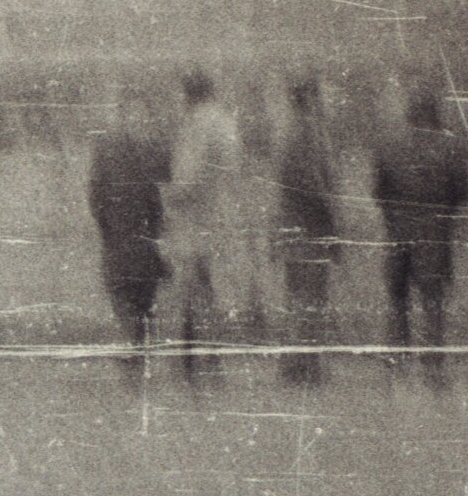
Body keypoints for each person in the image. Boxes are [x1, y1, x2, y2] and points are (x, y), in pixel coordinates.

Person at [371, 84, 468, 375]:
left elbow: (378, 192)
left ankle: (397, 363)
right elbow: (462, 193)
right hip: (434, 231)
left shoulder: (389, 145)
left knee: (398, 300)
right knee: (433, 301)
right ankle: (433, 366)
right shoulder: (451, 146)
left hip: (398, 230)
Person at [159, 71, 248, 377]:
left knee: (193, 287)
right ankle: (209, 357)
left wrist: (168, 197)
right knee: (210, 288)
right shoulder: (225, 122)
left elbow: (189, 177)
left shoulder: (198, 123)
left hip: (196, 218)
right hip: (221, 216)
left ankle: (193, 360)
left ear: (189, 94)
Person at [84, 101, 171, 378]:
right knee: (143, 295)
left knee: (122, 292)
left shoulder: (105, 149)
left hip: (118, 235)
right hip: (141, 236)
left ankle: (135, 348)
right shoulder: (144, 148)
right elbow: (155, 196)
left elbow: (95, 195)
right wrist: (154, 230)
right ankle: (141, 348)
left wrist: (105, 225)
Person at [268, 77, 345, 382]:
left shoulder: (289, 131)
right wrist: (334, 221)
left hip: (293, 226)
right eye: (322, 94)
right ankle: (305, 366)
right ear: (311, 98)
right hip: (311, 227)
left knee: (298, 296)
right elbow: (312, 184)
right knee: (311, 297)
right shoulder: (310, 133)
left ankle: (295, 364)